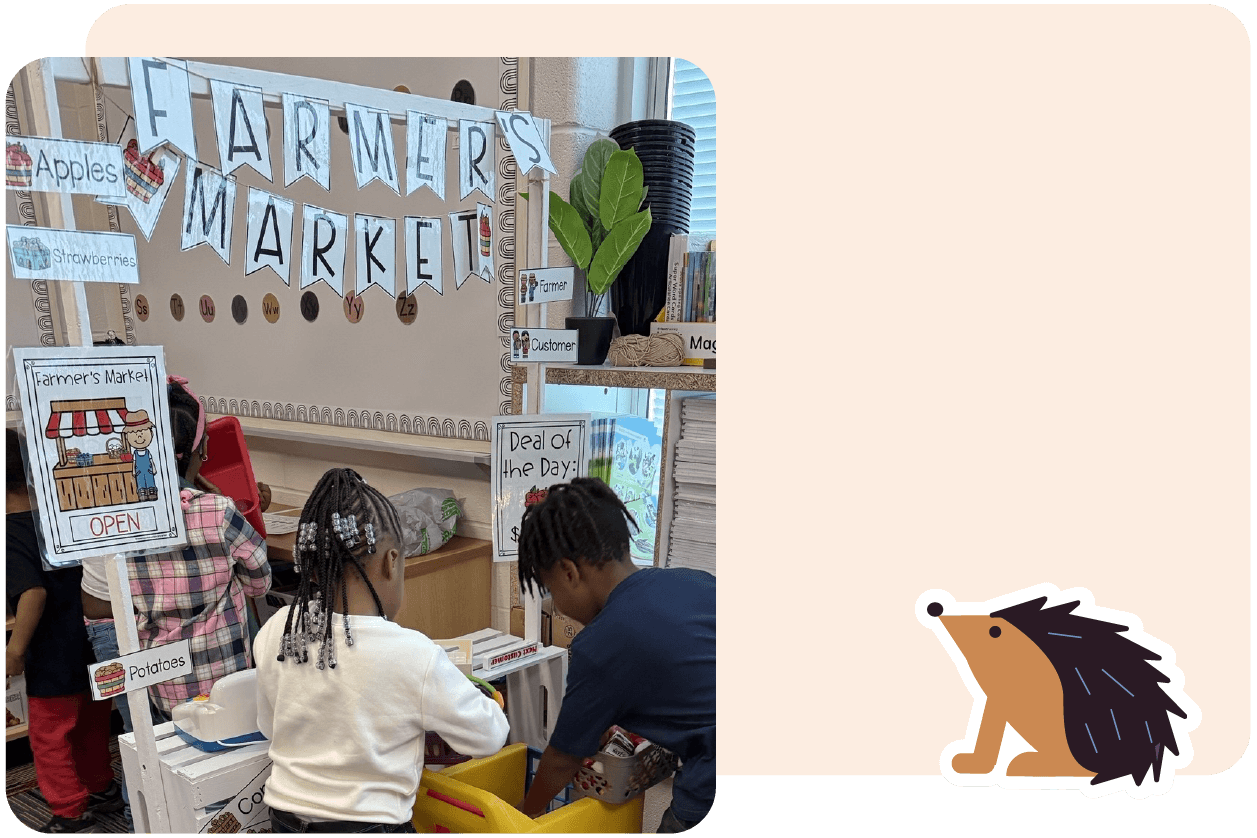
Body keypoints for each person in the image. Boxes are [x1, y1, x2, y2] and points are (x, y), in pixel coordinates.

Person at [254, 468, 509, 833]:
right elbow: (489, 736)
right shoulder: (413, 654)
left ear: (313, 568)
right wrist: (488, 704)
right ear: (391, 562)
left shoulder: (279, 628)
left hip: (286, 821)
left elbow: (269, 726)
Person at [516, 478, 715, 832]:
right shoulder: (694, 582)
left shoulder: (599, 645)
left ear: (569, 572)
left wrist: (523, 815)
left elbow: (562, 760)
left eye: (551, 591)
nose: (557, 606)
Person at [120, 375, 272, 722]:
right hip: (225, 682)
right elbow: (260, 583)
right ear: (202, 448)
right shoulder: (218, 511)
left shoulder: (124, 520)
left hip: (163, 686)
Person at [6, 428, 123, 834]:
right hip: (94, 642)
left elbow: (32, 593)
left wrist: (15, 650)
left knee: (49, 738)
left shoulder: (10, 533)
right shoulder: (63, 518)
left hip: (52, 655)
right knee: (93, 725)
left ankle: (70, 812)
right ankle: (102, 789)